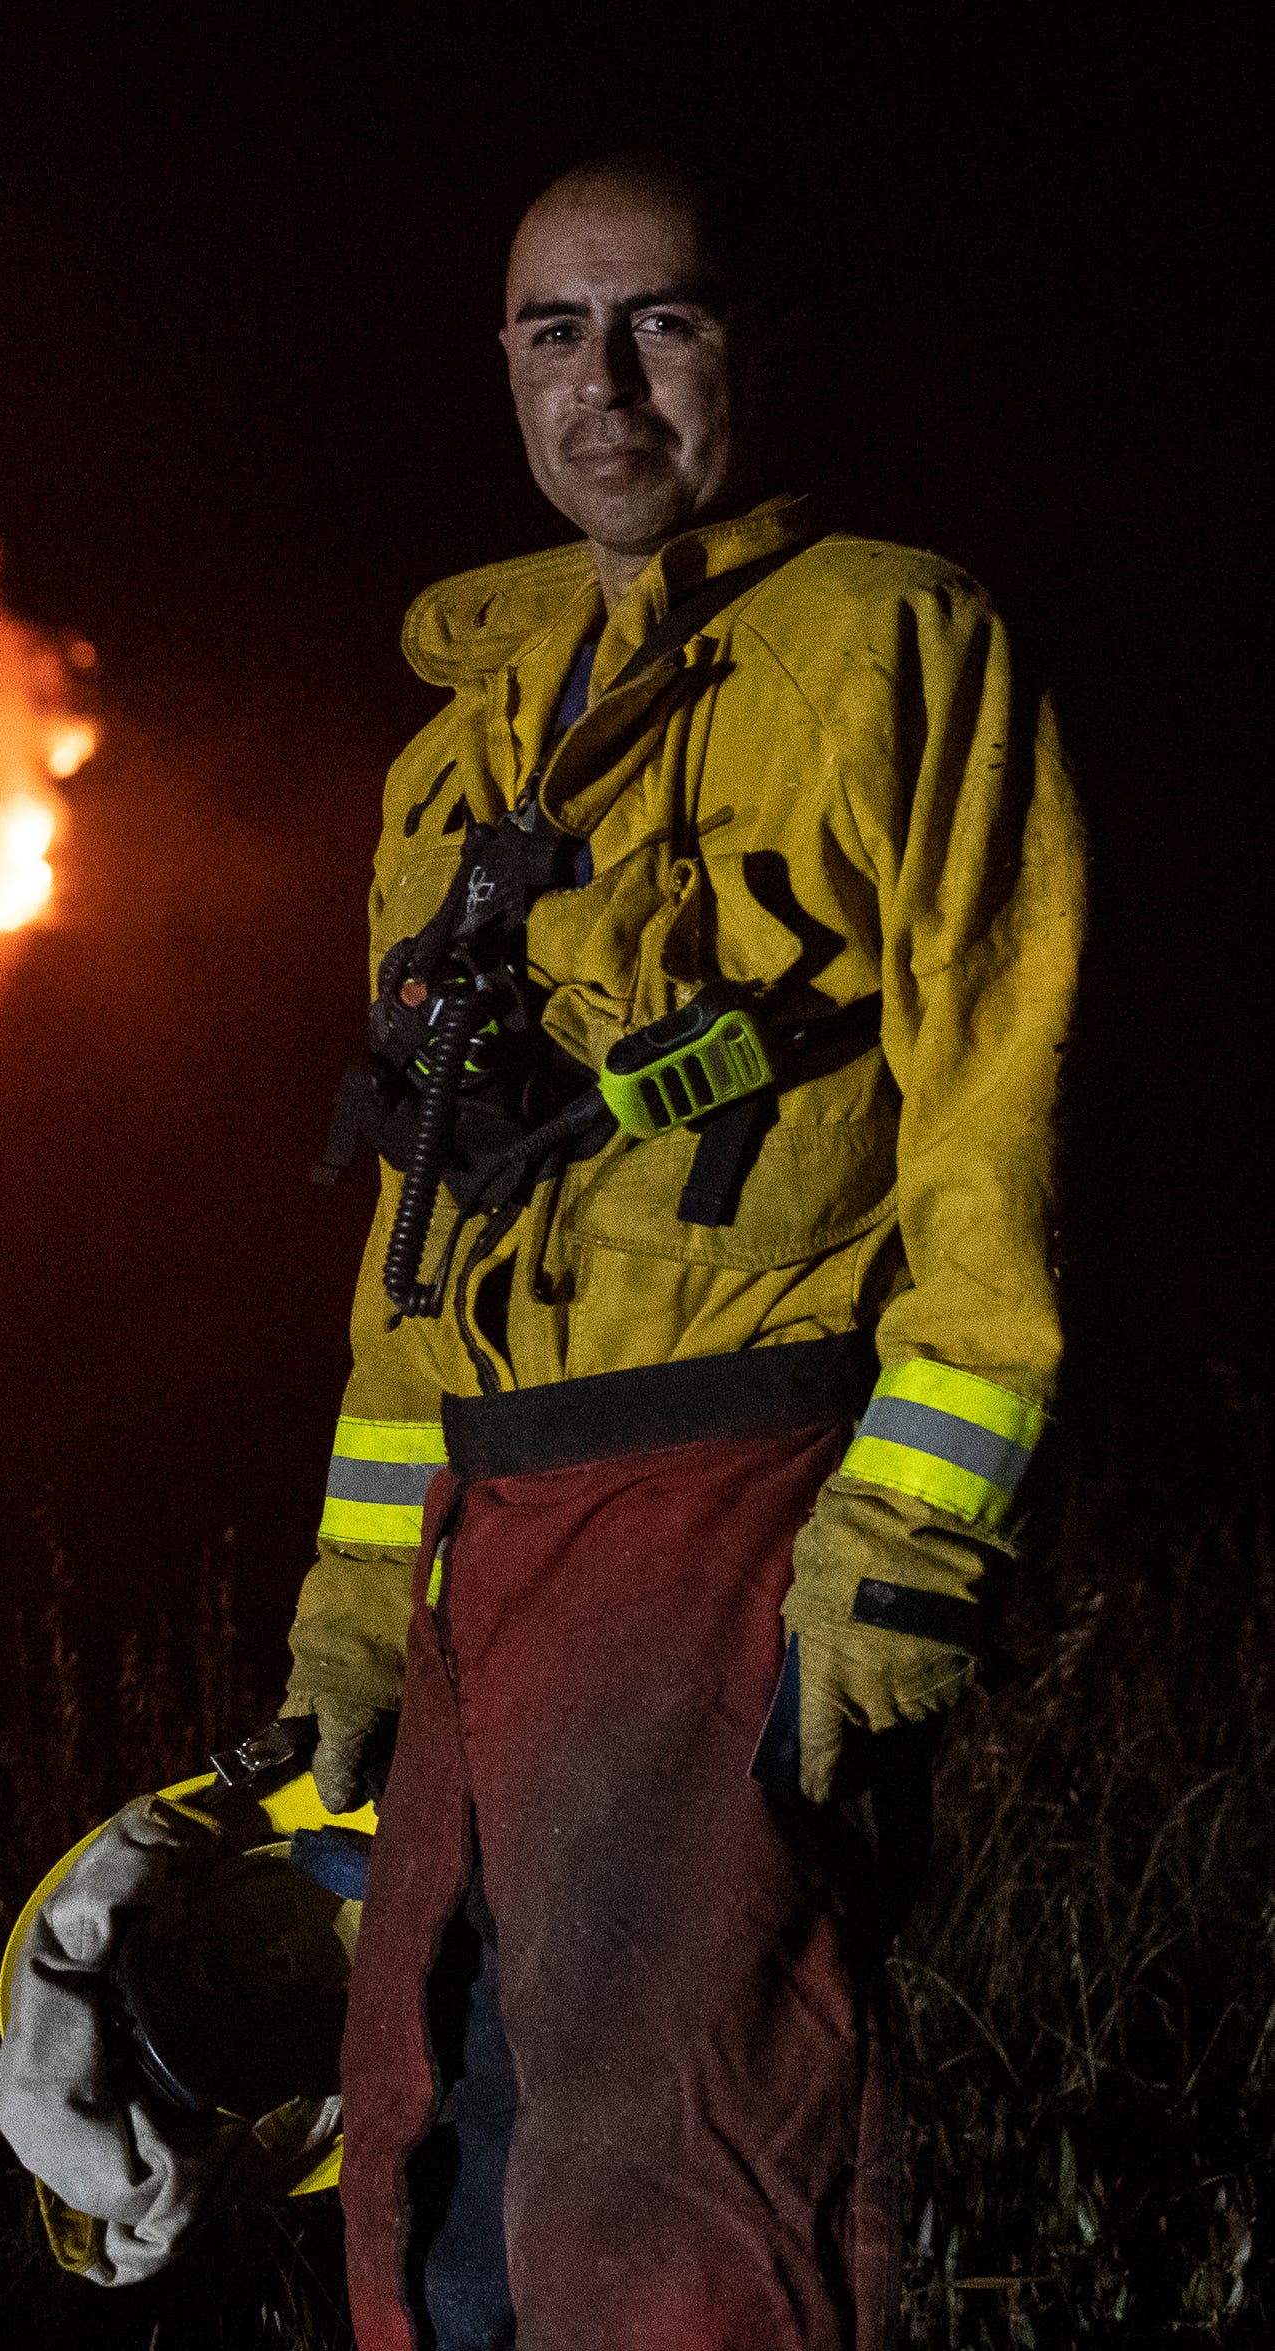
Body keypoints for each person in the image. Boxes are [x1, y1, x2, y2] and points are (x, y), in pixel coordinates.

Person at [278, 153, 1082, 2348]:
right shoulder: (455, 749)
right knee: (438, 2159)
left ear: (757, 346)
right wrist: (354, 1599)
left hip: (729, 1496)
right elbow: (423, 1215)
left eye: (664, 322)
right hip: (479, 1533)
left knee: (676, 2190)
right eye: (555, 331)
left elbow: (997, 1117)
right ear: (504, 367)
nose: (605, 384)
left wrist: (902, 1543)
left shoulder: (889, 642)